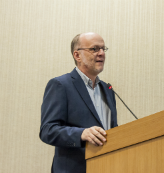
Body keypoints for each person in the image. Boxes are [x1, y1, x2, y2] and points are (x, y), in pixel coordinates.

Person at [40, 32, 118, 173]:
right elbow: (48, 130)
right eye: (94, 49)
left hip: (105, 167)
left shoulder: (108, 90)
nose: (101, 53)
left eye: (103, 48)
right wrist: (81, 134)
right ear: (77, 55)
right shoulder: (61, 85)